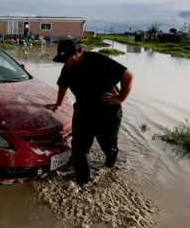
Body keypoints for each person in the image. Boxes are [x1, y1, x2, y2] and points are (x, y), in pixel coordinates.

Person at [46, 39, 134, 186]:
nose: (63, 62)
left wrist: (120, 98)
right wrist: (58, 104)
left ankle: (109, 167)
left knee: (108, 144)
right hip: (83, 110)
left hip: (107, 110)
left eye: (65, 58)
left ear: (76, 53)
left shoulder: (97, 60)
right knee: (79, 147)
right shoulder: (67, 67)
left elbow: (128, 76)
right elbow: (63, 86)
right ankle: (82, 182)